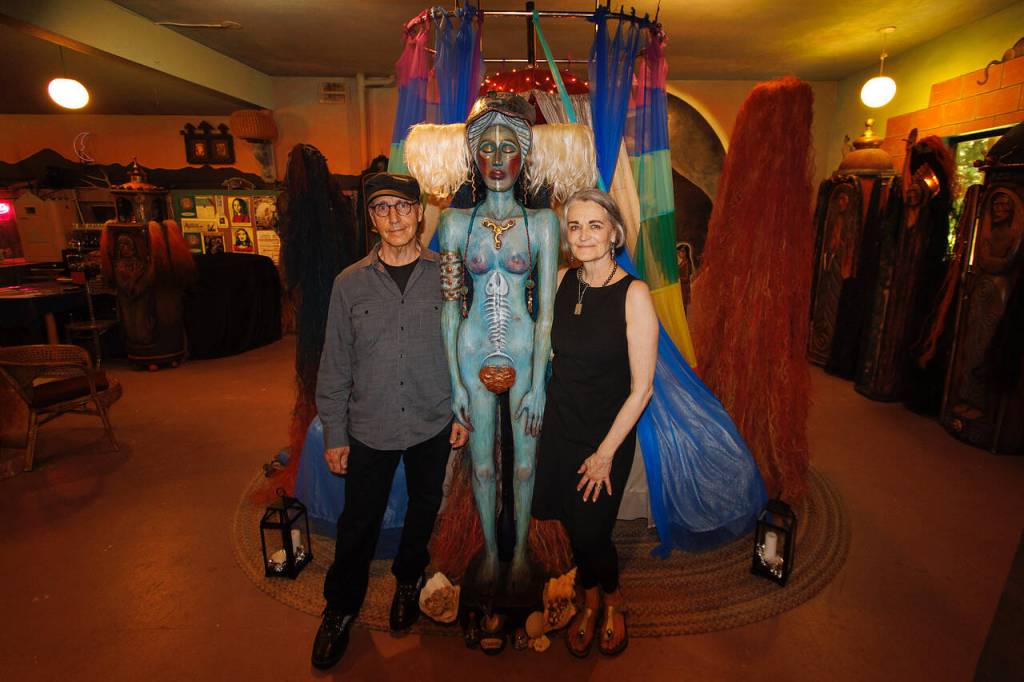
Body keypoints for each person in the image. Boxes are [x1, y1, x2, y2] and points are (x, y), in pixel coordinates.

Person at [310, 172, 469, 670]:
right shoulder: (349, 284)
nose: (394, 217)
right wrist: (335, 432)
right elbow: (335, 362)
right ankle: (340, 609)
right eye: (382, 208)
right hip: (370, 424)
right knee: (358, 521)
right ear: (372, 219)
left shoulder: (448, 274)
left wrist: (461, 409)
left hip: (431, 418)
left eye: (403, 206)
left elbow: (464, 347)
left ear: (420, 213)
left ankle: (408, 579)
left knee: (424, 506)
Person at [435, 93, 560, 592]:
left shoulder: (543, 224)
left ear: (523, 155)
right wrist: (455, 384)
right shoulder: (454, 223)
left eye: (509, 147)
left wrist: (540, 384)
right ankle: (490, 553)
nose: (498, 158)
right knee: (482, 465)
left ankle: (522, 554)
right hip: (471, 352)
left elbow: (546, 313)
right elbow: (450, 307)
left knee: (526, 465)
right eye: (486, 147)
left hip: (526, 352)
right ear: (474, 156)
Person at [532, 189, 658, 658]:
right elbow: (545, 351)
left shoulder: (634, 295)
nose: (584, 235)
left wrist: (605, 454)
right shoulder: (561, 280)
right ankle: (588, 600)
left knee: (591, 532)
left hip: (606, 435)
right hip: (560, 427)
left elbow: (642, 389)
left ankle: (613, 597)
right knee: (570, 523)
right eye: (575, 226)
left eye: (595, 225)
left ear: (614, 234)